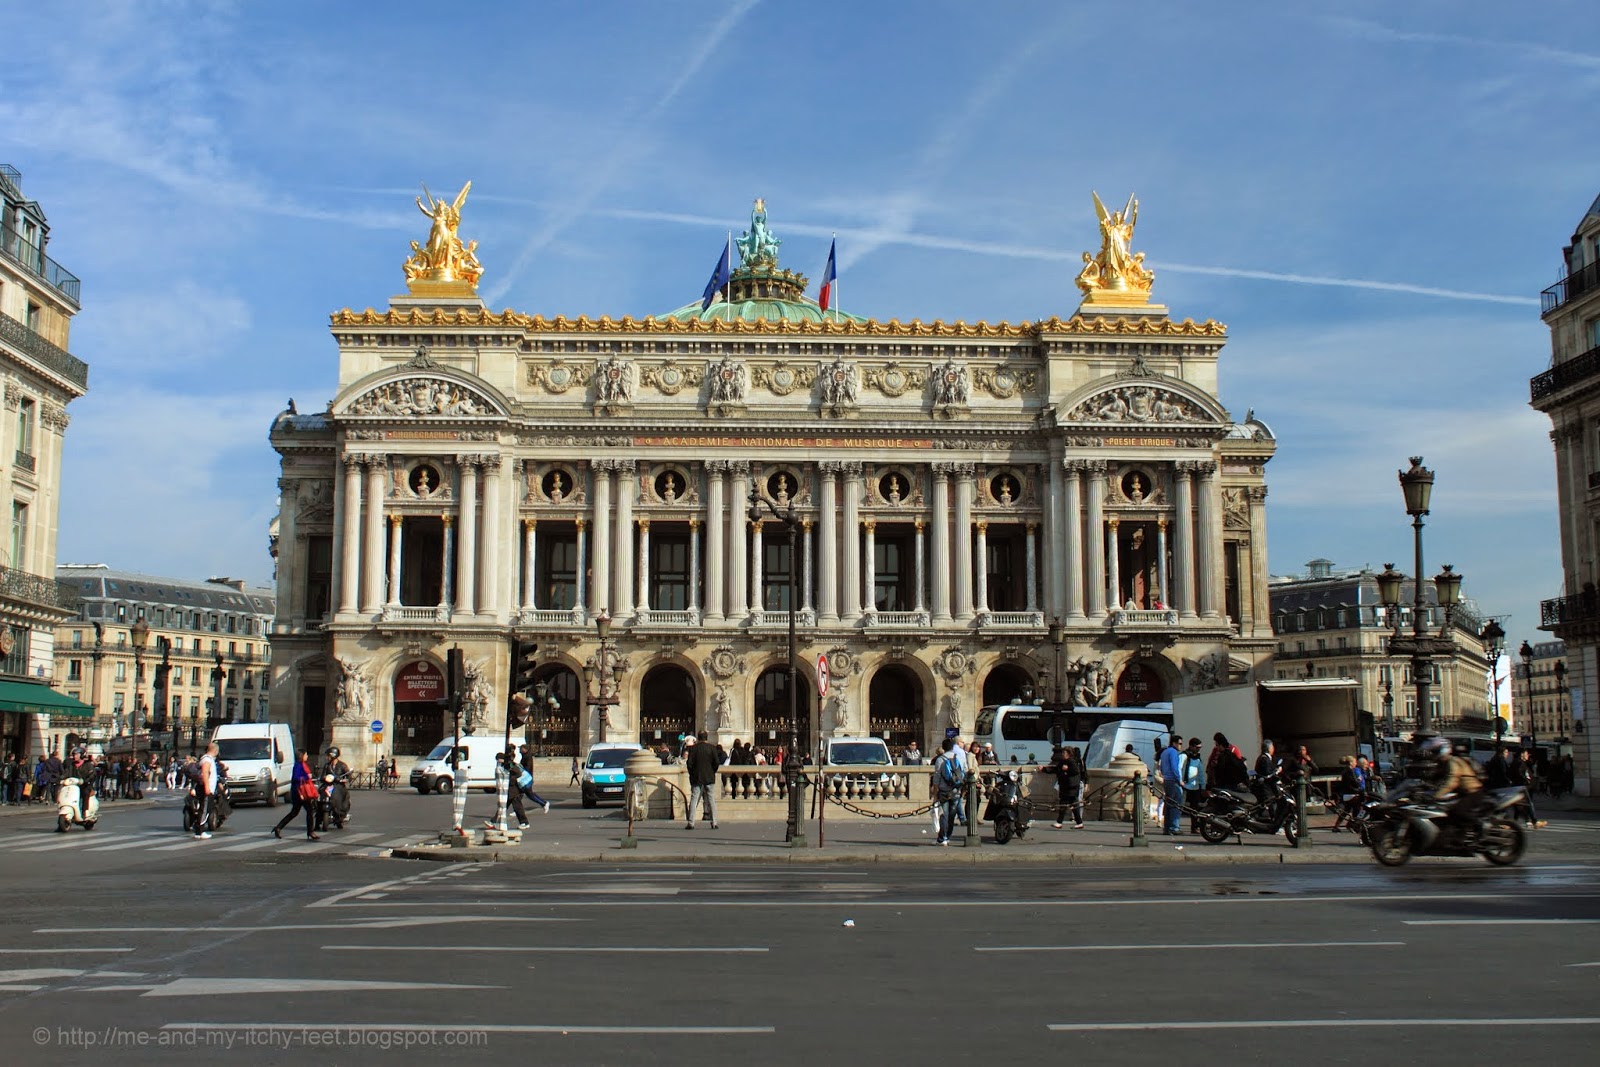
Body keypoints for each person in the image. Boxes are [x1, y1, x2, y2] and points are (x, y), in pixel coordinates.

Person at [1421, 735, 1488, 837]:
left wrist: (1436, 795)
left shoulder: (1453, 761)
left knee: (1457, 811)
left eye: (1434, 751)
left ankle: (1479, 824)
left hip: (1472, 792)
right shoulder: (1442, 763)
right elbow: (1435, 778)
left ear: (1442, 750)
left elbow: (1452, 781)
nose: (1433, 755)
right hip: (1460, 793)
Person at [272, 750, 319, 840]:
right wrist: (307, 777)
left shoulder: (302, 765)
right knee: (308, 811)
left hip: (299, 792)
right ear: (301, 756)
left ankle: (278, 828)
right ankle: (310, 832)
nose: (307, 756)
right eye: (306, 754)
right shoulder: (298, 765)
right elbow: (295, 778)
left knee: (295, 812)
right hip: (299, 793)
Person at [684, 730, 720, 830]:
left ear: (698, 737)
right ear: (706, 737)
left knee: (694, 800)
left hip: (697, 777)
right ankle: (714, 822)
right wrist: (712, 772)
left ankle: (691, 822)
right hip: (709, 777)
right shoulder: (712, 748)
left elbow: (689, 764)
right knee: (711, 800)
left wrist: (692, 774)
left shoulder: (693, 749)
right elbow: (716, 763)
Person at [1043, 745, 1085, 829]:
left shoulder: (1071, 761)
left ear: (1068, 754)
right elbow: (1056, 769)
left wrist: (1067, 769)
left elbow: (1076, 771)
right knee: (1073, 805)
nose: (1062, 754)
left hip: (1070, 786)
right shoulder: (1063, 761)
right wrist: (1044, 769)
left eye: (1064, 752)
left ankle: (1059, 822)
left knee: (1063, 804)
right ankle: (1079, 822)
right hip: (1066, 786)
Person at [934, 738, 964, 846]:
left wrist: (935, 792)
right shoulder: (959, 757)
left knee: (944, 814)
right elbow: (963, 772)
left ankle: (942, 839)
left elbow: (937, 777)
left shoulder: (940, 759)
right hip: (956, 790)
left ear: (943, 748)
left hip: (944, 791)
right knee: (952, 815)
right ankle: (948, 836)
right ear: (952, 747)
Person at [1159, 735, 1185, 835]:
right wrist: (1179, 780)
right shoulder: (1173, 752)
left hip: (1166, 780)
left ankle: (1167, 828)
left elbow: (1161, 767)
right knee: (1176, 804)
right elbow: (1175, 767)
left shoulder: (1164, 752)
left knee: (1168, 804)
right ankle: (1174, 827)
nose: (1181, 746)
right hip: (1173, 781)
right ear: (1174, 743)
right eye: (1180, 743)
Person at [1180, 737, 1206, 833]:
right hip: (1184, 785)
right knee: (1179, 806)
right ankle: (1175, 826)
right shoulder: (1183, 756)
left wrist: (1203, 786)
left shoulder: (1197, 758)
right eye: (1197, 747)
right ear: (1191, 746)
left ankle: (1194, 827)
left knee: (1195, 809)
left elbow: (1201, 773)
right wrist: (1179, 781)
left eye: (1200, 748)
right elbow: (1179, 769)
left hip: (1195, 787)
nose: (1198, 750)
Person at [516, 744, 551, 814]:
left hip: (526, 779)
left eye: (521, 749)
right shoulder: (525, 756)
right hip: (526, 778)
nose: (519, 751)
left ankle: (544, 803)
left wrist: (521, 770)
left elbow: (528, 767)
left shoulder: (527, 756)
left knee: (526, 794)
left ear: (524, 749)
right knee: (527, 795)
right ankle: (518, 809)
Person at [194, 742, 219, 839]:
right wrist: (207, 787)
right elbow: (205, 773)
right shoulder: (207, 759)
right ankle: (200, 831)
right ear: (215, 750)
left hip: (205, 788)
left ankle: (198, 830)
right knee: (204, 810)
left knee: (205, 809)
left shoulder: (206, 759)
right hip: (206, 788)